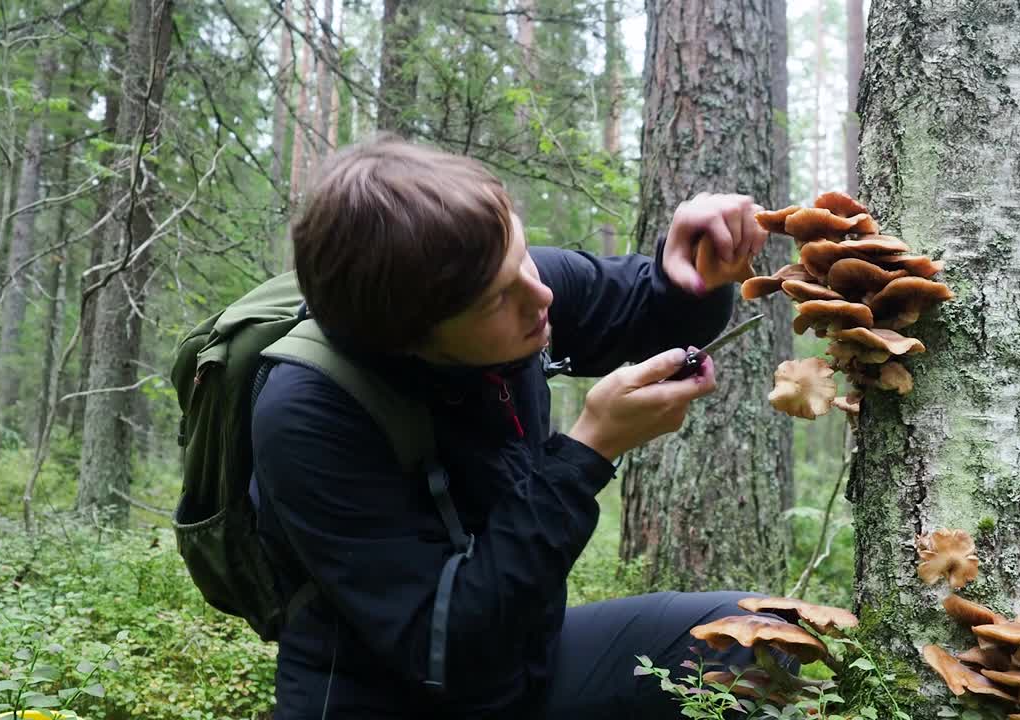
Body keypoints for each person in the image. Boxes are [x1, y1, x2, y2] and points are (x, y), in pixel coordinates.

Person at [250, 137, 795, 719]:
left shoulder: (506, 282)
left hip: (523, 657)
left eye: (524, 255)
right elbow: (445, 649)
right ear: (409, 339)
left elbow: (643, 312)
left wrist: (687, 279)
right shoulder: (309, 414)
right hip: (395, 693)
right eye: (496, 300)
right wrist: (588, 452)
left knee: (762, 646)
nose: (541, 295)